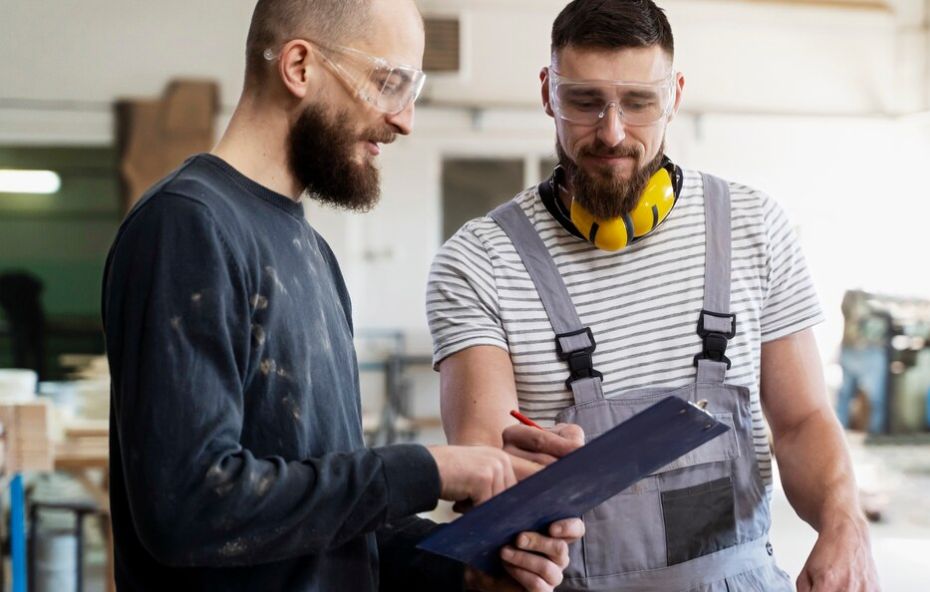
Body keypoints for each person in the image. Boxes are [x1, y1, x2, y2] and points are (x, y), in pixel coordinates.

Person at [101, 1, 583, 590]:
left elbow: (331, 523)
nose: (403, 121)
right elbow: (187, 508)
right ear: (300, 67)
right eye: (388, 84)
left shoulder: (313, 254)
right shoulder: (187, 226)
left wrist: (465, 572)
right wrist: (427, 468)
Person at [427, 1, 880, 590]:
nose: (612, 133)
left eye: (639, 103)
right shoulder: (479, 262)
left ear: (675, 94)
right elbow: (485, 466)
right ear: (547, 93)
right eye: (585, 101)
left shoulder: (752, 227)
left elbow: (801, 422)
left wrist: (845, 523)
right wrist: (507, 525)